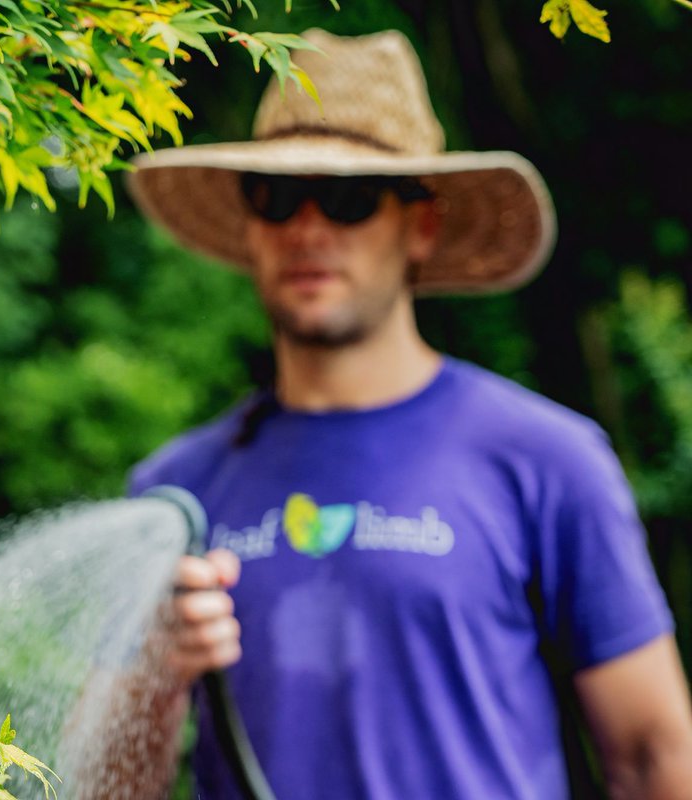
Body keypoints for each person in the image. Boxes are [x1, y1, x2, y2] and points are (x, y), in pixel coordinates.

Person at [122, 28, 692, 800]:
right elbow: (110, 784)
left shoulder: (545, 458)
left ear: (420, 225)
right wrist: (155, 677)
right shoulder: (178, 492)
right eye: (280, 195)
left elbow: (657, 757)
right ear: (250, 221)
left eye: (352, 198)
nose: (310, 229)